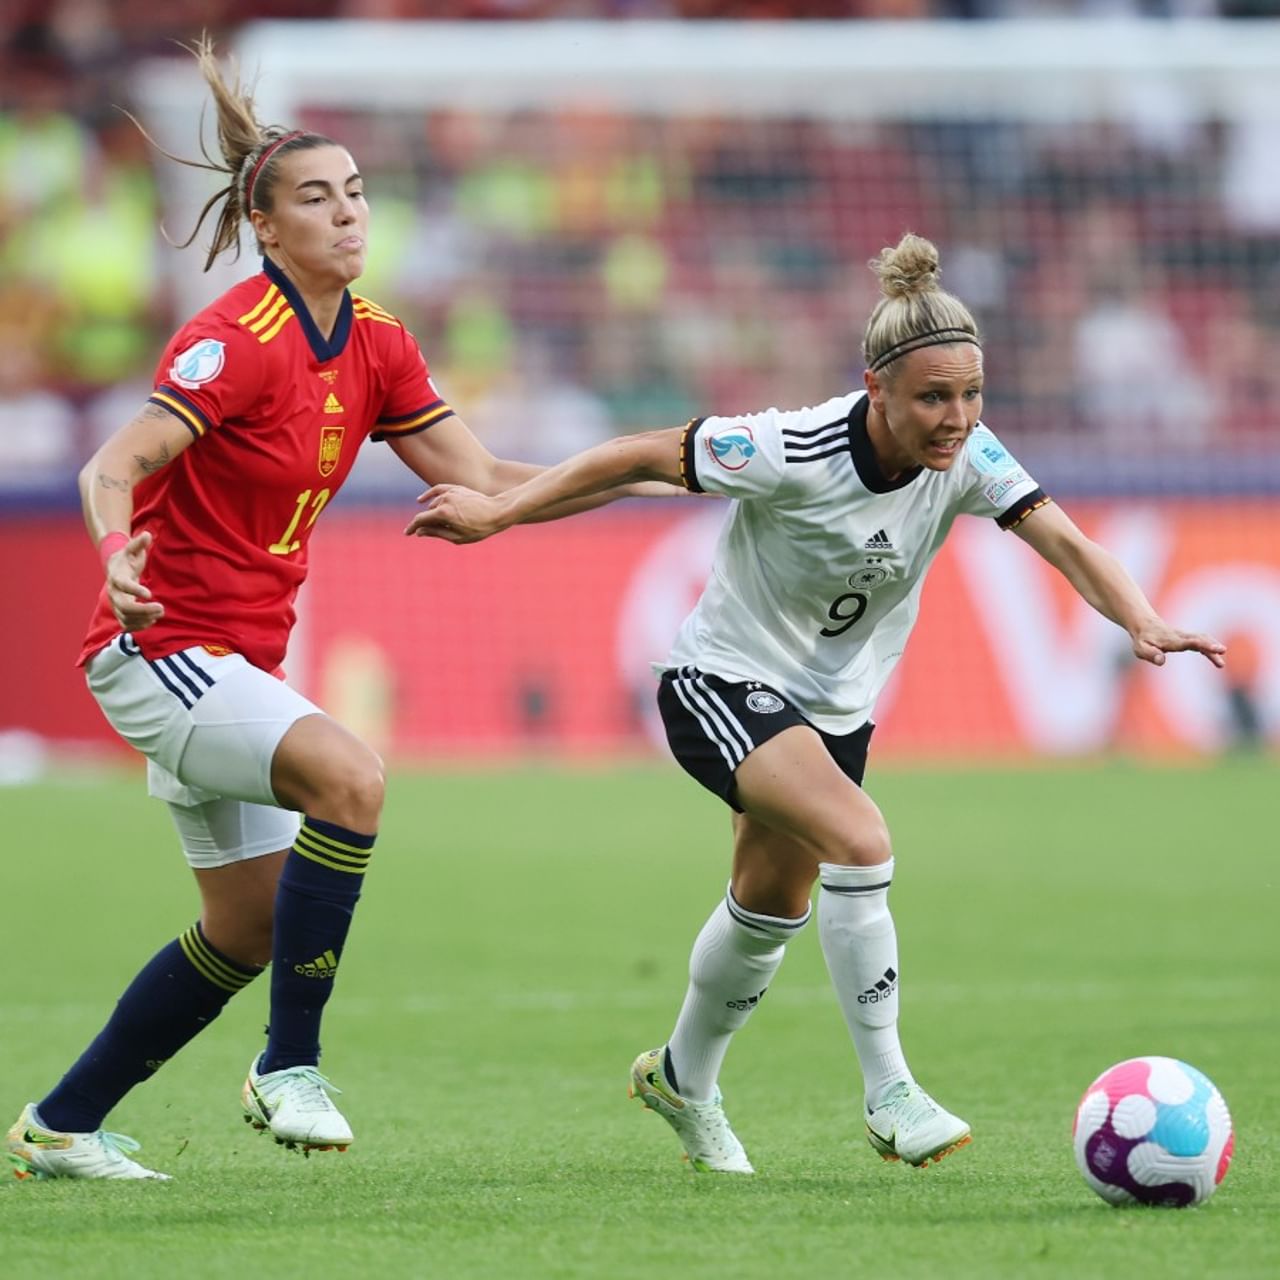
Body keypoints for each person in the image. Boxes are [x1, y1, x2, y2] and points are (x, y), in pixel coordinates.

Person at [406, 232, 1227, 1173]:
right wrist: (501, 509)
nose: (955, 417)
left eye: (970, 395)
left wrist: (1142, 618)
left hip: (834, 712)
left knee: (766, 910)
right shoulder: (789, 446)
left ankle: (682, 1080)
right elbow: (637, 457)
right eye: (932, 397)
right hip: (719, 683)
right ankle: (890, 1092)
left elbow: (1069, 543)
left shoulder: (970, 456)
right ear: (875, 390)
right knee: (862, 839)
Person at [5, 38, 655, 1184]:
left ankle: (61, 1122)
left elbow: (492, 475)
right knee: (352, 775)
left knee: (248, 926)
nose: (347, 214)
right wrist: (114, 555)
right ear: (267, 225)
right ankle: (287, 1065)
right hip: (158, 647)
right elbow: (112, 462)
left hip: (233, 661)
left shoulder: (377, 342)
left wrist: (661, 469)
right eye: (317, 197)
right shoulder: (230, 343)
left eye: (355, 192)